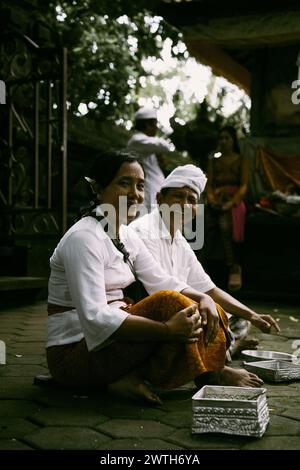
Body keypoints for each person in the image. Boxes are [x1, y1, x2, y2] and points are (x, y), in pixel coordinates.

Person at [46, 151, 265, 407]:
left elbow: (161, 280)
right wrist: (167, 330)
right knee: (171, 304)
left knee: (202, 310)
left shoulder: (125, 234)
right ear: (98, 188)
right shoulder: (84, 238)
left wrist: (203, 297)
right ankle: (205, 372)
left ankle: (129, 377)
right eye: (123, 183)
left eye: (140, 186)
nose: (135, 194)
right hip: (74, 355)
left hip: (111, 345)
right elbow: (96, 319)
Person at [130, 164, 280, 357]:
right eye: (177, 196)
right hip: (155, 318)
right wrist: (204, 301)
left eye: (191, 200)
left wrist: (253, 315)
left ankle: (227, 346)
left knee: (239, 319)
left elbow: (209, 289)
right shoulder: (143, 230)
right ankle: (225, 351)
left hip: (183, 309)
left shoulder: (180, 240)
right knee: (205, 316)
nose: (184, 205)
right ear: (160, 198)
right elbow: (161, 291)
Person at [206, 126, 248, 291]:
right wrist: (211, 200)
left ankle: (234, 267)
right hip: (216, 199)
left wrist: (232, 202)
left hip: (234, 200)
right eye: (221, 138)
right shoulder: (213, 160)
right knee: (204, 226)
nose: (223, 141)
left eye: (227, 138)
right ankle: (203, 268)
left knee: (225, 225)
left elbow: (244, 185)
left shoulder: (241, 159)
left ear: (233, 140)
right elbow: (209, 184)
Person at [127, 106, 172, 211]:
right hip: (149, 189)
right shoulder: (137, 140)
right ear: (147, 125)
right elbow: (165, 147)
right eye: (155, 125)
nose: (157, 128)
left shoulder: (145, 143)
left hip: (154, 188)